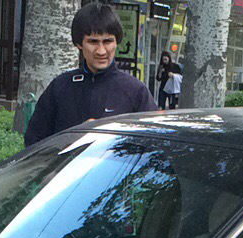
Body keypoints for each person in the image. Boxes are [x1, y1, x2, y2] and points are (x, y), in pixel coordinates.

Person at [24, 2, 155, 147]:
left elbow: (153, 146)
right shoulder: (60, 87)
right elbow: (34, 143)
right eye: (93, 42)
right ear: (79, 43)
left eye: (107, 41)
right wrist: (75, 137)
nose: (101, 51)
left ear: (117, 42)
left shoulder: (136, 91)